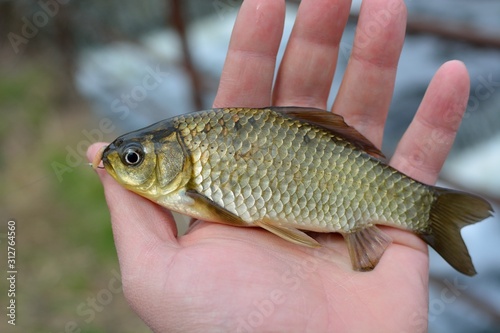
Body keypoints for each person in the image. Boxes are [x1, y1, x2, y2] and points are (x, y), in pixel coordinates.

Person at [87, 0, 470, 331]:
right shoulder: (186, 175)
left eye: (134, 158)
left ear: (172, 155)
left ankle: (429, 208)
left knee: (399, 204)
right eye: (132, 159)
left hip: (330, 174)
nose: (126, 164)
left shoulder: (190, 182)